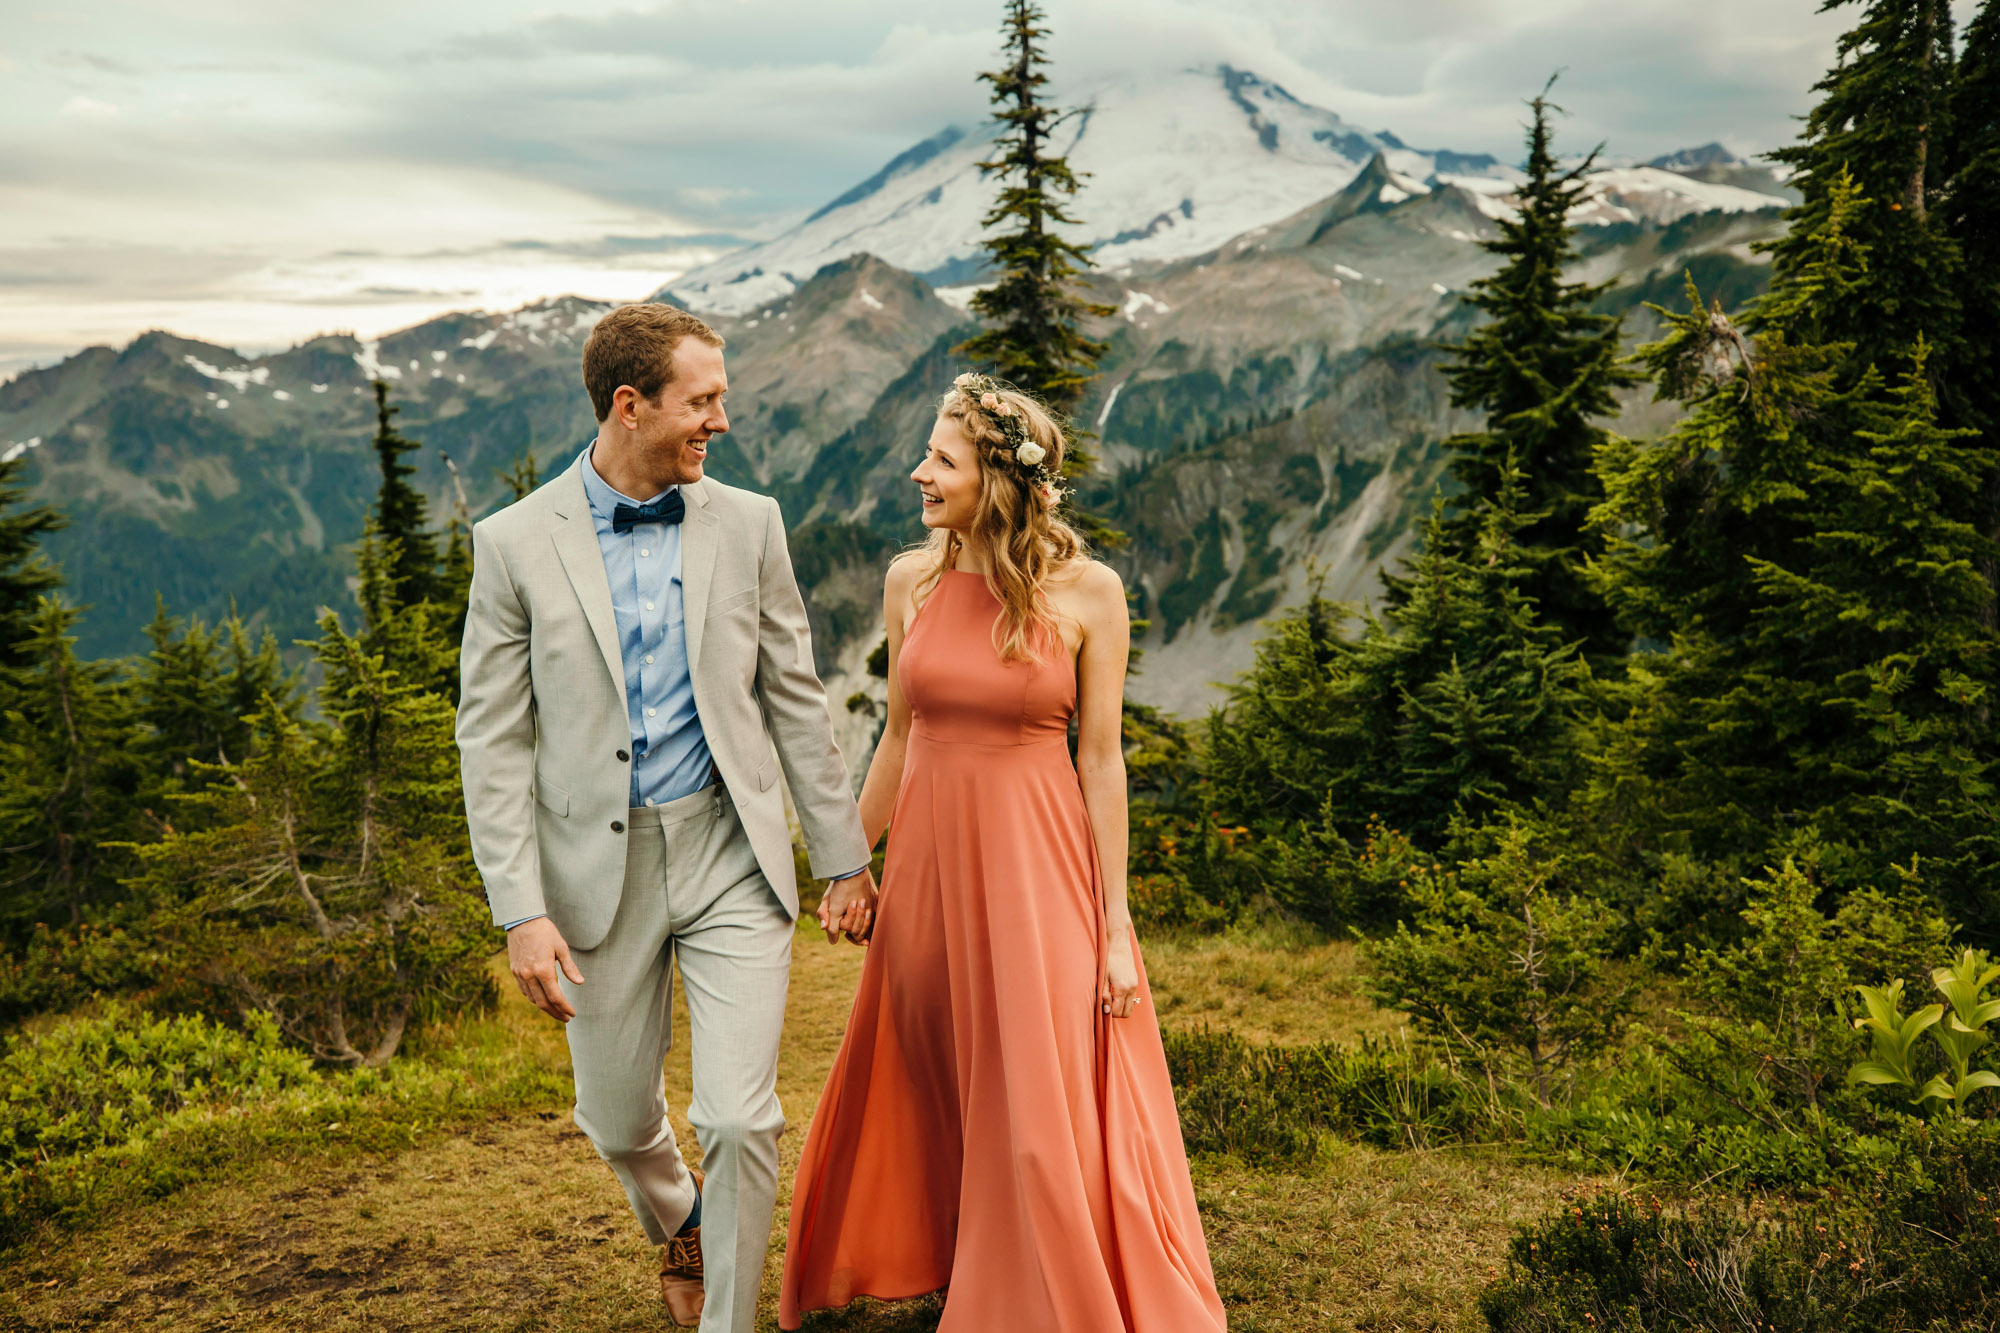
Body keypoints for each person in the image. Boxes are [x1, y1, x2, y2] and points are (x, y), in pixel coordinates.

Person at [454, 303, 879, 1332]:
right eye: (702, 401)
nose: (719, 421)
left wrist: (842, 858)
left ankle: (726, 1321)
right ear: (629, 405)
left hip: (730, 849)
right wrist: (519, 909)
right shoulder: (512, 546)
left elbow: (794, 696)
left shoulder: (751, 523)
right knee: (611, 1117)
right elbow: (493, 739)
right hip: (591, 873)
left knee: (738, 1115)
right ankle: (683, 1220)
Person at [779, 374, 1228, 1331]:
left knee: (1035, 1093)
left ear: (998, 477)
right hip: (933, 870)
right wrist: (852, 865)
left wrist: (1115, 924)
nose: (919, 473)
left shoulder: (1090, 592)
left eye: (941, 460)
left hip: (1038, 870)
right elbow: (898, 738)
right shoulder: (914, 579)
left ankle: (1034, 1288)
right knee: (932, 1067)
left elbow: (1101, 763)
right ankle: (942, 1251)